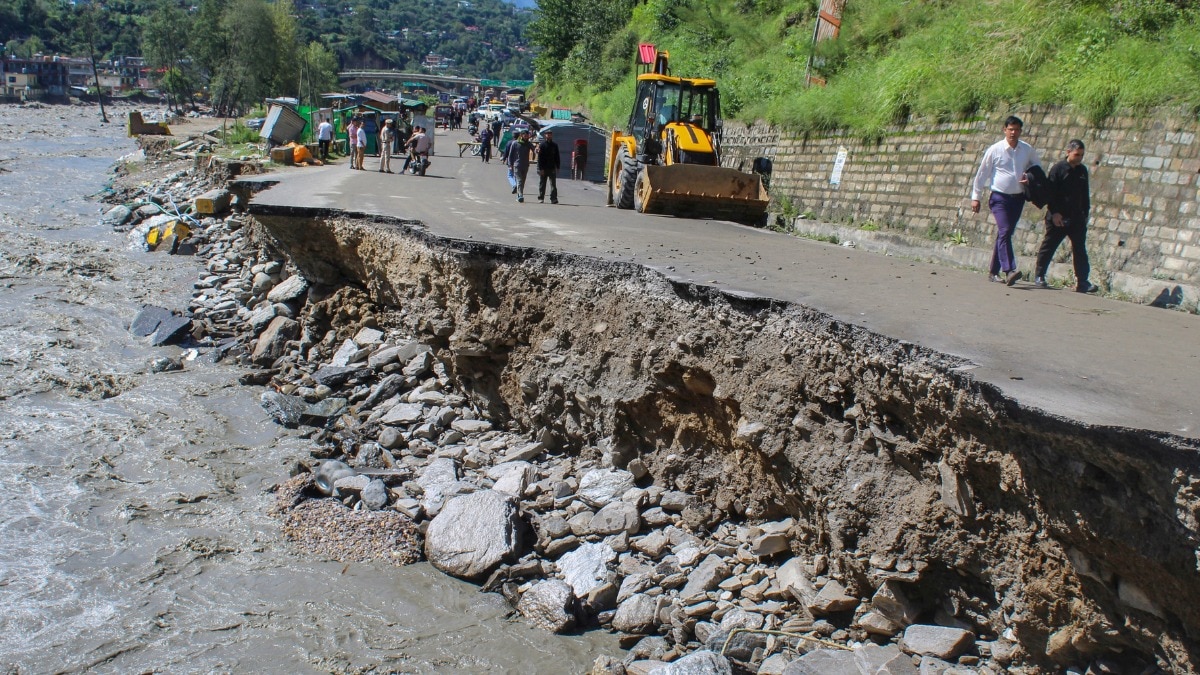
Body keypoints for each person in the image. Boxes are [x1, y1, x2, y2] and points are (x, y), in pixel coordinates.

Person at [970, 115, 1041, 286]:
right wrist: (976, 197)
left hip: (1017, 198)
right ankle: (1009, 269)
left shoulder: (1027, 149)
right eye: (1010, 129)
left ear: (1020, 131)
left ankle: (993, 272)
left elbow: (1038, 168)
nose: (1013, 133)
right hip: (999, 197)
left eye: (1017, 130)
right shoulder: (995, 150)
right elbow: (982, 175)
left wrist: (1029, 178)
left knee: (1005, 233)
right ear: (1004, 130)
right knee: (1005, 229)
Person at [1034, 139, 1096, 293]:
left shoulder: (1082, 171)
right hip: (1058, 217)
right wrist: (1054, 212)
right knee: (1049, 246)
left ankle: (1082, 281)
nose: (1079, 158)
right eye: (1076, 154)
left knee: (1080, 249)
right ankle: (1040, 275)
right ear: (1068, 152)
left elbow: (1085, 194)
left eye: (1082, 155)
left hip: (1077, 218)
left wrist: (1085, 213)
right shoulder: (1058, 169)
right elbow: (1050, 193)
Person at [505, 130, 533, 202]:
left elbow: (534, 149)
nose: (526, 137)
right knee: (519, 180)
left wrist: (536, 151)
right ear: (521, 135)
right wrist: (510, 164)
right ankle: (520, 195)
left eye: (527, 135)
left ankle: (519, 195)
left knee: (522, 181)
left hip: (525, 165)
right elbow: (510, 155)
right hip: (517, 165)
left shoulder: (528, 144)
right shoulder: (515, 143)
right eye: (525, 135)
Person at [536, 130, 560, 204]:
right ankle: (541, 198)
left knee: (553, 184)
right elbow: (539, 158)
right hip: (543, 167)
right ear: (545, 135)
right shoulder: (542, 145)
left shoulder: (554, 145)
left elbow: (557, 157)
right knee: (542, 183)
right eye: (547, 134)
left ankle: (553, 198)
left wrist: (558, 166)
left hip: (552, 167)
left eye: (550, 134)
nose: (549, 136)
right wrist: (541, 169)